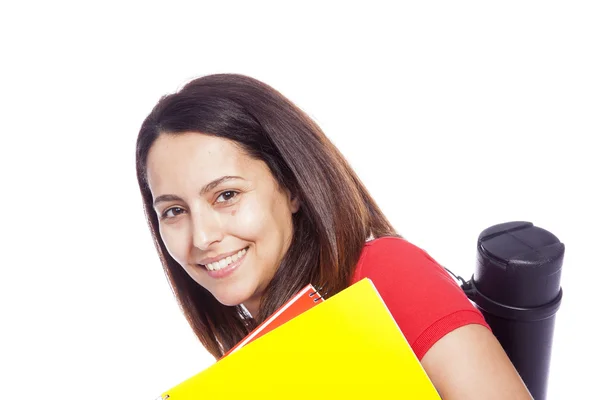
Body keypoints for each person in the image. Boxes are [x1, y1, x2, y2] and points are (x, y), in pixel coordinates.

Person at [135, 73, 532, 399]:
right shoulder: (244, 374)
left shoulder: (383, 275)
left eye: (227, 195)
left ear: (292, 187)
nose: (202, 237)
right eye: (174, 211)